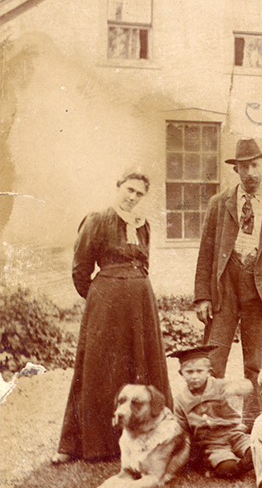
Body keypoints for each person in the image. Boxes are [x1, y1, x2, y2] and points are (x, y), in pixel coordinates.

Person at [53, 170, 172, 463]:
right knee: (99, 370)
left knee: (142, 364)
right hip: (106, 307)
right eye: (129, 190)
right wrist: (101, 300)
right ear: (118, 186)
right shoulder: (97, 220)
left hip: (141, 307)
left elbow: (145, 265)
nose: (132, 197)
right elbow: (80, 270)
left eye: (139, 193)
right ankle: (91, 444)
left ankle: (149, 436)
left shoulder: (143, 226)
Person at [194, 138, 262, 431]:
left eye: (254, 166)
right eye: (243, 167)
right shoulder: (219, 204)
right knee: (213, 361)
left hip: (260, 294)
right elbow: (205, 253)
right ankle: (212, 421)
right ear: (235, 170)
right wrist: (202, 296)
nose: (250, 173)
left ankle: (252, 426)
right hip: (223, 290)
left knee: (256, 365)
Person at [169, 345, 253, 478]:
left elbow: (247, 385)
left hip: (235, 434)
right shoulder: (180, 401)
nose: (195, 376)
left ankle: (246, 461)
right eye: (189, 372)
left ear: (209, 371)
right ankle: (231, 467)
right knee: (227, 467)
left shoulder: (220, 385)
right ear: (181, 373)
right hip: (213, 443)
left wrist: (236, 388)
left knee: (255, 450)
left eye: (199, 371)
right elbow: (183, 429)